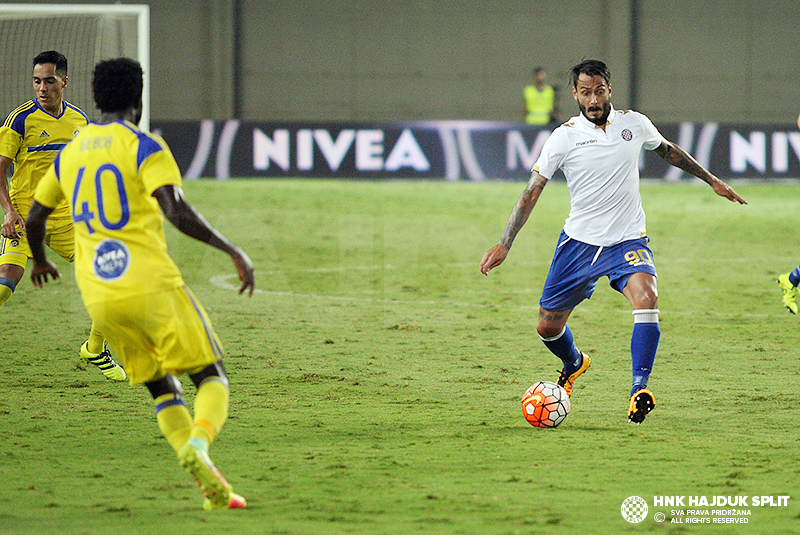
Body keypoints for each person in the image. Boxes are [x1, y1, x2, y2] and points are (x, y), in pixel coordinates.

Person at [25, 57, 256, 510]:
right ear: (139, 97)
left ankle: (208, 482)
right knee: (212, 376)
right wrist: (232, 250)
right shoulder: (145, 145)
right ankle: (199, 445)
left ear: (95, 97)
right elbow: (175, 210)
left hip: (98, 295)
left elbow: (36, 216)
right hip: (150, 284)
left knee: (160, 386)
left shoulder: (73, 149)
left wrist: (38, 262)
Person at [481, 59, 746, 424]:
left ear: (609, 90)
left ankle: (640, 388)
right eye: (585, 92)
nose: (593, 99)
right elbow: (531, 193)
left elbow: (667, 149)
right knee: (547, 326)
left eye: (599, 91)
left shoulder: (633, 123)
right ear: (575, 93)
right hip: (579, 244)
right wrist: (504, 243)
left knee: (647, 297)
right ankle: (574, 362)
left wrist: (711, 179)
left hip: (627, 240)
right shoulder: (564, 137)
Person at [0, 50, 126, 381]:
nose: (42, 87)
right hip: (26, 217)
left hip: (67, 219)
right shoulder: (20, 120)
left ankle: (95, 347)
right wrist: (9, 211)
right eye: (37, 81)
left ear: (64, 82)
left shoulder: (80, 122)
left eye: (49, 81)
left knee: (113, 279)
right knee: (5, 285)